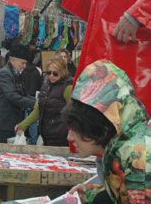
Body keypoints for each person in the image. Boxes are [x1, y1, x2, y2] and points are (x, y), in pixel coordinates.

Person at [63, 60, 151, 204]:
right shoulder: (121, 147)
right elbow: (124, 192)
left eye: (76, 129)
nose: (70, 137)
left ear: (98, 126)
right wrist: (91, 194)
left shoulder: (137, 156)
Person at [15, 58, 73, 146]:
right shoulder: (46, 85)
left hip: (62, 137)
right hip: (47, 134)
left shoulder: (68, 88)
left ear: (63, 72)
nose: (51, 76)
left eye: (55, 73)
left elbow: (73, 112)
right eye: (49, 72)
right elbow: (39, 109)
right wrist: (23, 125)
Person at [0, 45, 36, 143]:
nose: (24, 66)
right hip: (4, 123)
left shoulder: (15, 73)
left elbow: (22, 94)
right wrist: (35, 103)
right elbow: (12, 96)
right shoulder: (5, 73)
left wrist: (37, 101)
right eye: (22, 63)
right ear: (13, 60)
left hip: (12, 122)